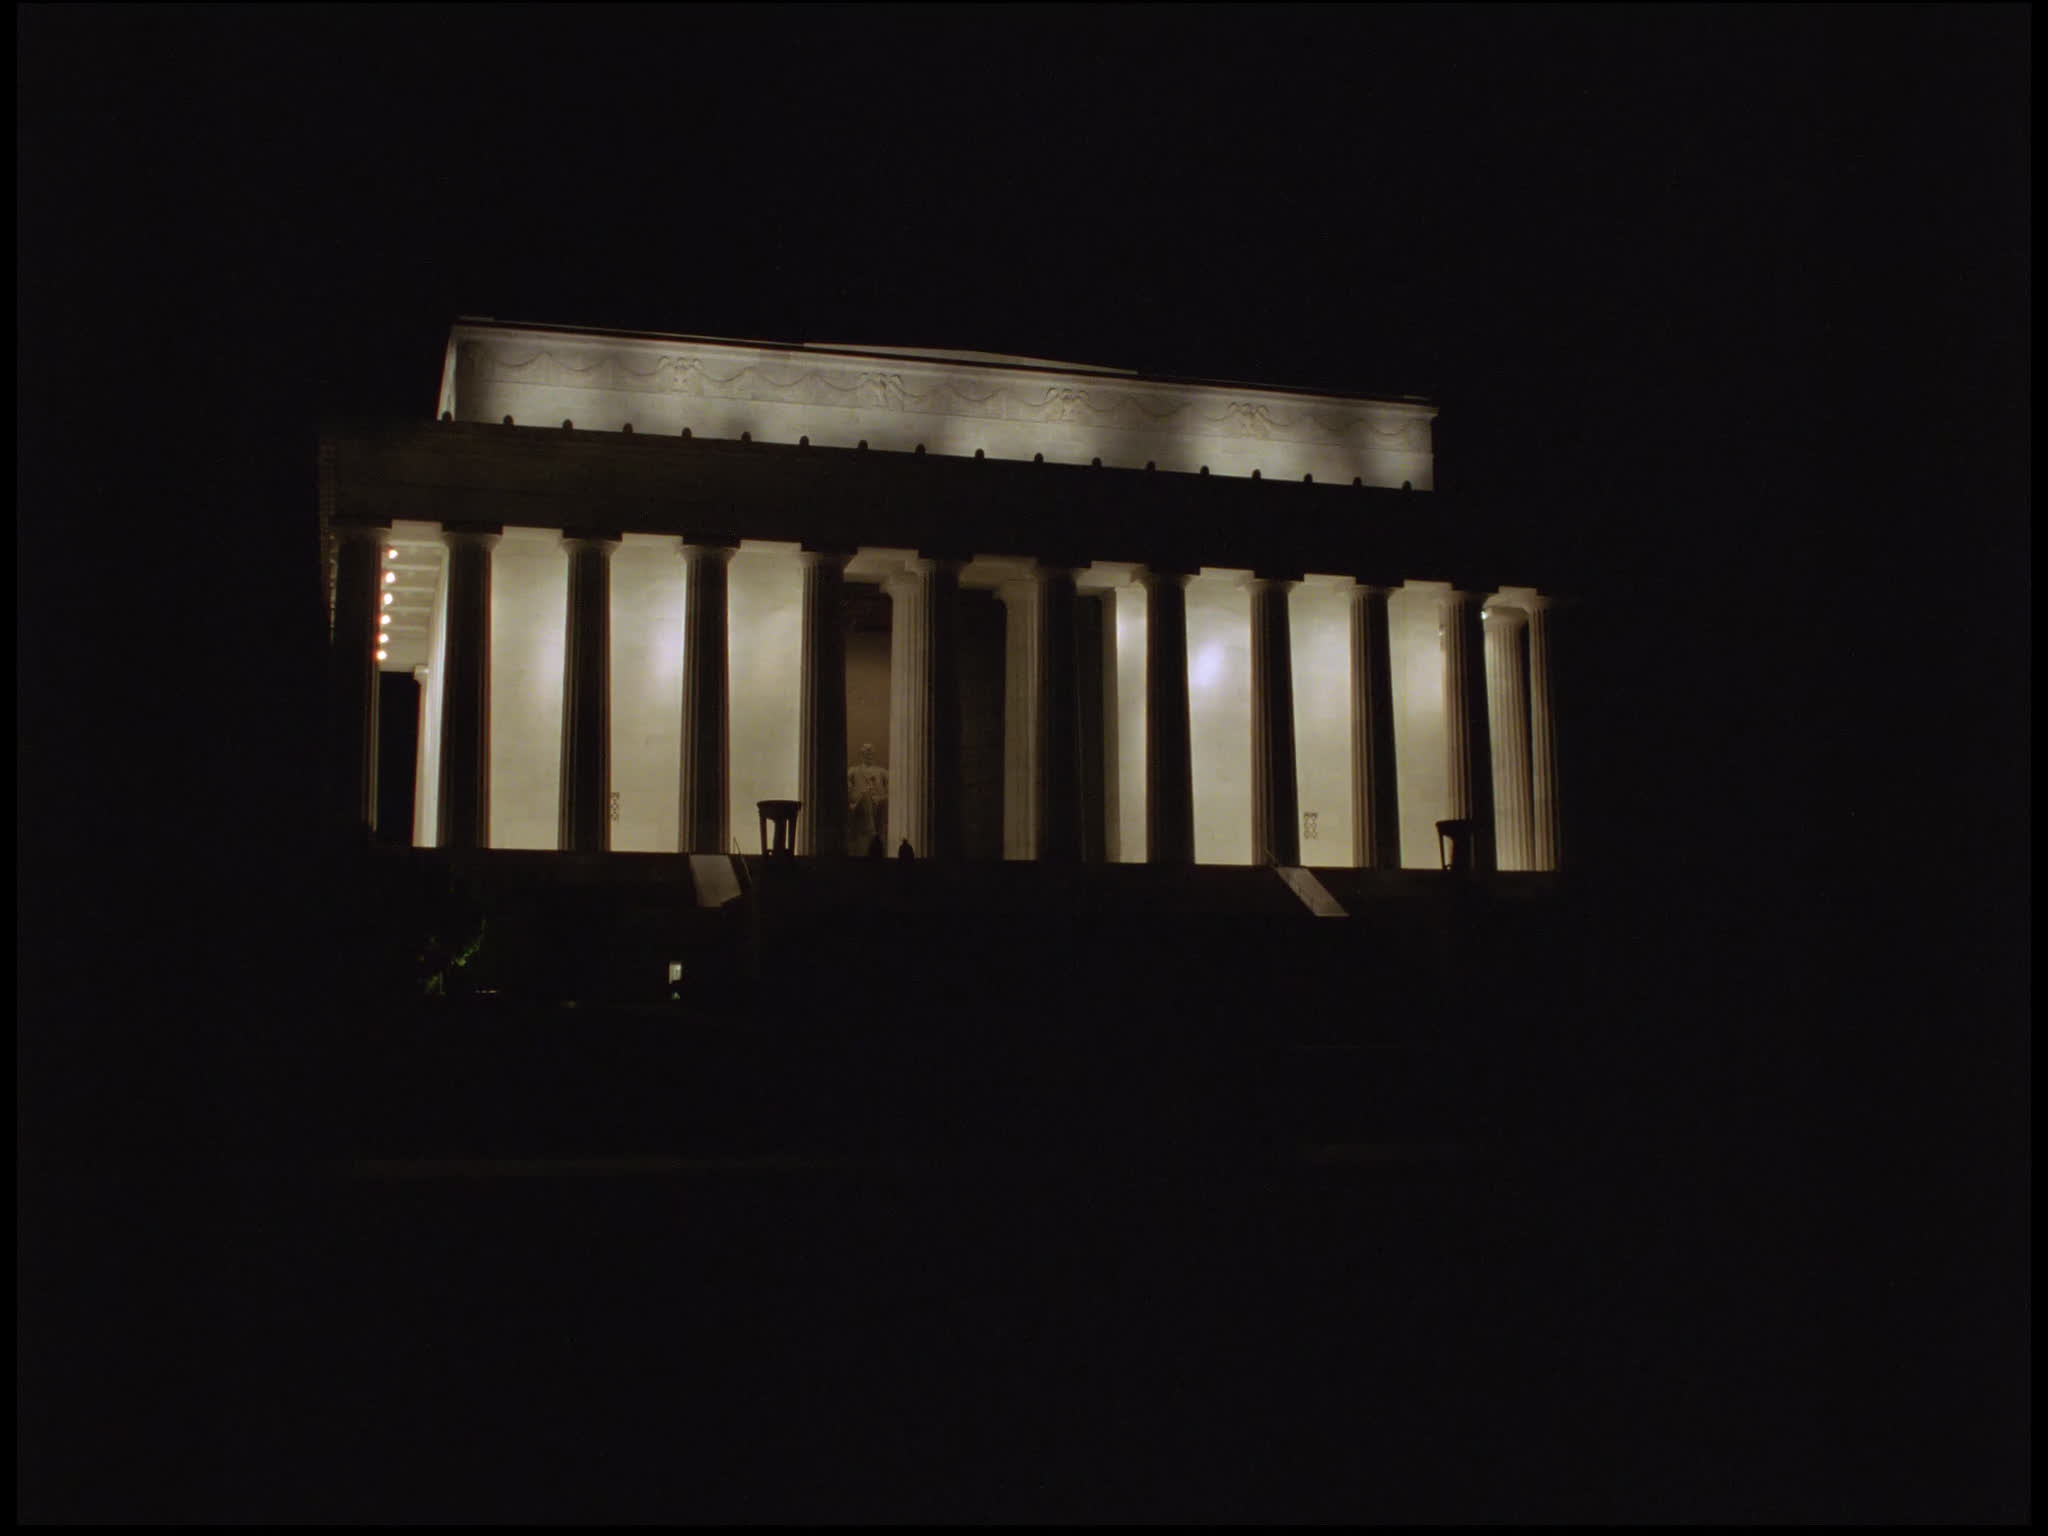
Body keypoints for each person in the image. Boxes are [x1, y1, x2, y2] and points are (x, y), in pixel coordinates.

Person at [847, 742, 888, 856]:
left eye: (870, 751)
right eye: (866, 751)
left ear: (873, 754)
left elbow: (893, 790)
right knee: (865, 797)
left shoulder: (882, 772)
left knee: (874, 799)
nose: (868, 753)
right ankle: (872, 832)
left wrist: (881, 798)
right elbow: (848, 791)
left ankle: (873, 833)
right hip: (859, 806)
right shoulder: (853, 771)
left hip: (879, 805)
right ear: (861, 754)